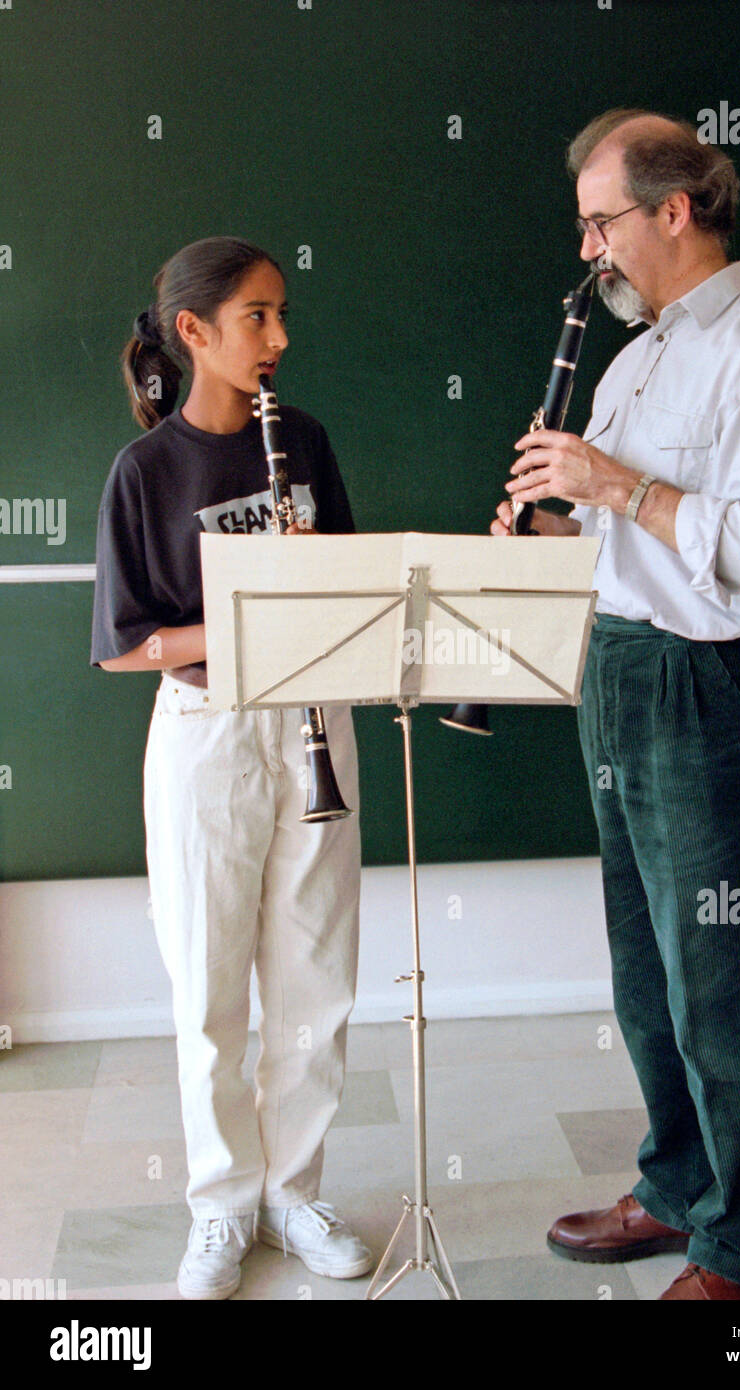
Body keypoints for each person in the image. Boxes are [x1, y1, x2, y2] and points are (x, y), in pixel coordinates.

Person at [491, 109, 740, 1300]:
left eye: (601, 222)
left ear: (672, 211)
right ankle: (678, 1181)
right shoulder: (633, 356)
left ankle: (737, 1250)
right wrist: (552, 521)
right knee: (646, 971)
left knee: (720, 975)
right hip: (623, 666)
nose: (587, 249)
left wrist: (618, 485)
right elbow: (613, 530)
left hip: (712, 686)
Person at [91, 236, 372, 1299]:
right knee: (209, 987)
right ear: (195, 333)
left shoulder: (301, 439)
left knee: (314, 981)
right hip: (208, 733)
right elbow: (125, 643)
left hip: (311, 720)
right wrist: (243, 616)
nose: (281, 338)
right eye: (259, 317)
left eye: (283, 313)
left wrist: (321, 587)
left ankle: (294, 1193)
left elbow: (352, 589)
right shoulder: (144, 471)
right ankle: (220, 1207)